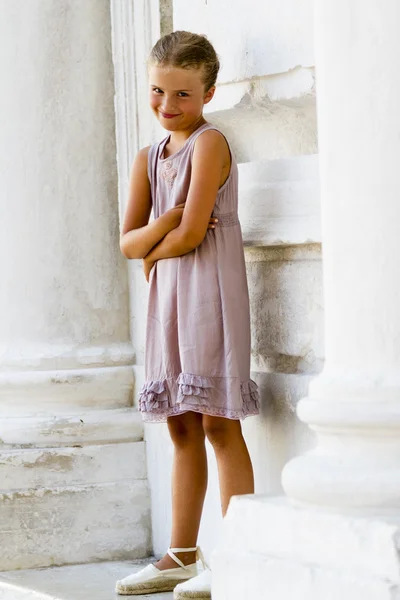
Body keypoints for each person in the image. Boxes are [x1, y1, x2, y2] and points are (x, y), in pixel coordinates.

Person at [116, 30, 260, 600]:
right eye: (158, 92)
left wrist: (153, 244)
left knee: (218, 421)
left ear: (208, 93)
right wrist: (159, 231)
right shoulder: (148, 158)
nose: (167, 106)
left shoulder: (209, 143)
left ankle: (238, 555)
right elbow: (127, 241)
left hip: (210, 294)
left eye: (182, 95)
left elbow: (195, 231)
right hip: (167, 300)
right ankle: (180, 554)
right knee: (179, 422)